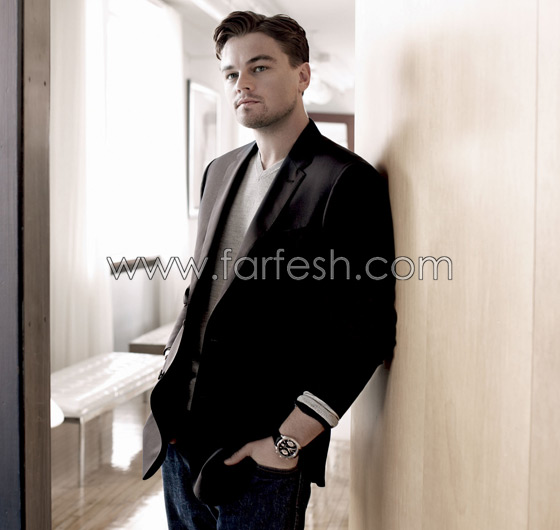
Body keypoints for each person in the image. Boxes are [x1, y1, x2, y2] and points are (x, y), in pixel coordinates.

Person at [142, 10, 396, 530]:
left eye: (259, 67)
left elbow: (365, 330)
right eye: (232, 73)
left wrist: (287, 442)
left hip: (260, 458)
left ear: (303, 75)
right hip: (180, 440)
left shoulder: (345, 180)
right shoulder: (218, 172)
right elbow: (202, 293)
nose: (243, 83)